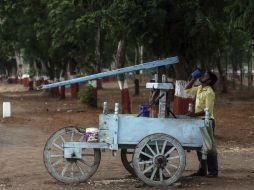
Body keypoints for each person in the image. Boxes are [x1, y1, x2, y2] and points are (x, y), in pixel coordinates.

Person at [185, 70, 218, 177]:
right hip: (199, 121)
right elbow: (187, 89)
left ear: (209, 81)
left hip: (207, 121)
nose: (203, 76)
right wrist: (193, 78)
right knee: (200, 146)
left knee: (208, 147)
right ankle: (202, 170)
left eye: (205, 76)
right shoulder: (199, 88)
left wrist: (194, 114)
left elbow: (207, 110)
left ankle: (213, 171)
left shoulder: (209, 92)